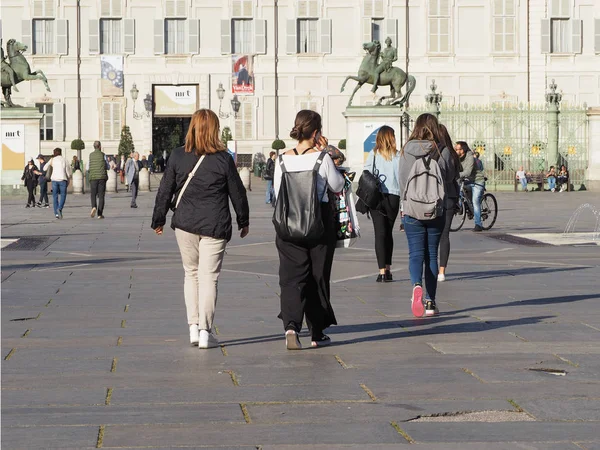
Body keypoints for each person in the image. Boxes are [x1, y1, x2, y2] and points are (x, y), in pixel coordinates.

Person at [151, 109, 249, 349]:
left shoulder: (177, 156)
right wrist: (243, 220)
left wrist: (159, 219)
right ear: (215, 129)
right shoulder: (223, 159)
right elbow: (237, 192)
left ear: (192, 128)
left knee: (191, 274)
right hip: (215, 224)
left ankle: (193, 328)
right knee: (209, 277)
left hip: (185, 223)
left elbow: (165, 189)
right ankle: (205, 331)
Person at [274, 110, 345, 350]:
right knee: (317, 277)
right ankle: (317, 332)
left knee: (291, 278)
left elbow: (276, 192)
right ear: (316, 133)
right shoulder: (321, 158)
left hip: (288, 223)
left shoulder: (281, 158)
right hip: (318, 224)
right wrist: (327, 153)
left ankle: (291, 326)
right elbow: (337, 185)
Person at [400, 113, 452, 318]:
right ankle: (430, 302)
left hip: (411, 210)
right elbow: (447, 179)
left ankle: (416, 286)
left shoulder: (406, 151)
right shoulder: (442, 150)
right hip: (435, 210)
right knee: (431, 254)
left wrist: (402, 212)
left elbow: (402, 183)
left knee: (415, 253)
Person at [363, 125, 401, 282]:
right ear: (392, 138)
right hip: (393, 196)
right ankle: (389, 268)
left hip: (376, 197)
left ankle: (381, 272)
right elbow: (401, 178)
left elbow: (366, 173)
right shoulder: (398, 156)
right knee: (388, 233)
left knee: (379, 233)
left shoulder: (373, 153)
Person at [437, 124, 461, 282]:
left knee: (435, 234)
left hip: (438, 197)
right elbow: (456, 176)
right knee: (445, 234)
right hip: (451, 196)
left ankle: (435, 268)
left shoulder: (438, 152)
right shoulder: (452, 153)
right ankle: (442, 271)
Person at [455, 141, 485, 232]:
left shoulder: (470, 157)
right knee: (458, 191)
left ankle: (478, 224)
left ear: (463, 150)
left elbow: (467, 172)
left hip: (477, 181)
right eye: (456, 149)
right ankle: (464, 207)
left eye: (459, 149)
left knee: (475, 201)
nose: (457, 151)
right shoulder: (457, 158)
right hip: (467, 180)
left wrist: (455, 174)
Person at [46, 148, 72, 219]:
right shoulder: (64, 159)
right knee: (63, 195)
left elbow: (44, 168)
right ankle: (60, 208)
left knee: (55, 196)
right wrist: (69, 177)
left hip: (54, 179)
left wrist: (51, 165)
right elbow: (68, 171)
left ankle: (56, 214)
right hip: (62, 179)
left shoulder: (52, 159)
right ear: (61, 152)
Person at [87, 141, 108, 219]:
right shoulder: (103, 155)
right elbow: (107, 166)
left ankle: (93, 207)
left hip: (93, 177)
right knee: (101, 195)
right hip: (102, 177)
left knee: (93, 194)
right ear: (100, 146)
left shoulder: (90, 155)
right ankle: (100, 214)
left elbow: (87, 167)